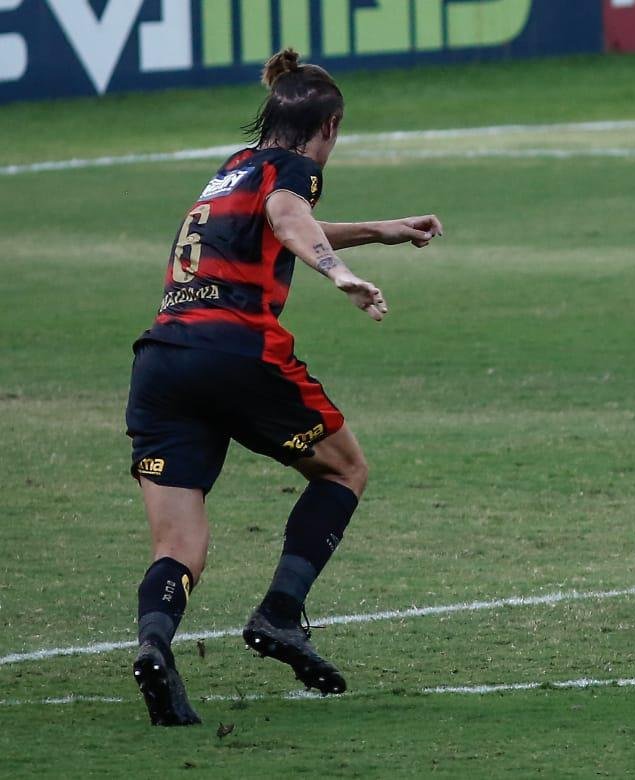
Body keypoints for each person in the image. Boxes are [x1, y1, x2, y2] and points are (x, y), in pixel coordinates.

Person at [125, 48, 443, 726]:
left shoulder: (229, 171)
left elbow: (276, 222)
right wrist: (338, 275)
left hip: (161, 359)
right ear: (328, 128)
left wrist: (378, 233)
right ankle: (279, 613)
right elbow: (290, 218)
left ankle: (154, 644)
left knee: (178, 545)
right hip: (234, 349)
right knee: (344, 469)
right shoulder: (295, 170)